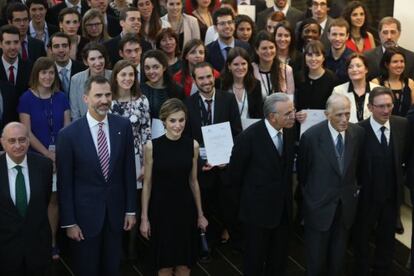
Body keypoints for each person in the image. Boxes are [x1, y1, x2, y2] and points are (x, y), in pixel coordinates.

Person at [57, 75, 137, 276]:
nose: (104, 100)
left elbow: (128, 171)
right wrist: (69, 222)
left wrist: (130, 210)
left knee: (113, 268)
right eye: (98, 95)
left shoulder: (123, 126)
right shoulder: (68, 135)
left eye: (108, 94)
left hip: (115, 215)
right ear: (86, 98)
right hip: (83, 220)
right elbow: (64, 183)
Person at [298, 93, 365, 276]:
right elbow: (303, 173)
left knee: (338, 262)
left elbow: (357, 168)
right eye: (339, 115)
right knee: (316, 262)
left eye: (347, 114)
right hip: (319, 207)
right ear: (327, 114)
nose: (344, 119)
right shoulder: (311, 137)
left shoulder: (358, 133)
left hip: (345, 208)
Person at [229, 93, 296, 275]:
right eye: (288, 112)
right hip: (256, 216)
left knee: (279, 261)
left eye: (293, 110)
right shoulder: (248, 138)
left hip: (282, 213)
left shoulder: (289, 131)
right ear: (273, 117)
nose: (293, 115)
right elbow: (234, 178)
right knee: (254, 262)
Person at [140, 98, 208, 274]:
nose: (178, 125)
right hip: (161, 212)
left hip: (185, 211)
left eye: (181, 120)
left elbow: (193, 181)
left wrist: (200, 214)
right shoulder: (151, 147)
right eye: (172, 120)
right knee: (164, 267)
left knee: (184, 266)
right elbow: (147, 184)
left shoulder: (192, 145)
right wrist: (144, 218)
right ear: (164, 121)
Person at [184, 62, 242, 257]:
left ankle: (233, 238)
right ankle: (206, 242)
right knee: (206, 205)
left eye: (209, 76)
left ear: (214, 76)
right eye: (201, 78)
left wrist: (228, 159)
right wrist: (200, 163)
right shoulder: (188, 103)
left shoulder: (228, 99)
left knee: (229, 204)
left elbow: (237, 132)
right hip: (203, 167)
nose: (206, 81)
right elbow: (187, 140)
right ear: (194, 80)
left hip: (225, 164)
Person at [352, 87, 410, 276]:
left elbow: (407, 155)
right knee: (362, 240)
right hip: (366, 198)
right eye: (381, 106)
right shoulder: (358, 130)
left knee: (387, 240)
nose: (386, 110)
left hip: (391, 197)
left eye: (389, 105)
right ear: (370, 107)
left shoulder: (402, 124)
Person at [18, 57, 71, 260]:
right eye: (43, 73)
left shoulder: (61, 97)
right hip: (36, 157)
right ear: (36, 74)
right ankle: (33, 240)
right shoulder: (26, 98)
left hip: (60, 155)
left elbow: (67, 127)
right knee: (35, 200)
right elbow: (27, 132)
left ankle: (51, 242)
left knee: (54, 200)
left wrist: (58, 154)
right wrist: (47, 154)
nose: (48, 76)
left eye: (51, 72)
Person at [110, 60, 151, 260]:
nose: (127, 79)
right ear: (115, 77)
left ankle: (133, 249)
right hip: (114, 160)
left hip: (136, 158)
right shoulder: (108, 101)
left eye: (131, 75)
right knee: (117, 202)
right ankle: (117, 248)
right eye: (123, 75)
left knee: (134, 202)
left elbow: (146, 133)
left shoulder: (141, 100)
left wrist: (145, 163)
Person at [0, 122, 53, 276]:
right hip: (5, 251)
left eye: (22, 140)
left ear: (29, 141)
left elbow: (44, 200)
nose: (18, 145)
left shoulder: (44, 166)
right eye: (11, 141)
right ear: (2, 142)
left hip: (37, 248)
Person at [295, 40, 337, 124]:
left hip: (325, 125)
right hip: (302, 125)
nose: (313, 59)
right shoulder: (298, 77)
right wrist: (296, 114)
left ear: (323, 58)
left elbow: (334, 104)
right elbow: (294, 103)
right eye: (310, 55)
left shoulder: (331, 78)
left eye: (317, 55)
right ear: (305, 57)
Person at [332, 53, 380, 123]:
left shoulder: (377, 90)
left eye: (358, 66)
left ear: (366, 69)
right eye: (350, 67)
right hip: (348, 131)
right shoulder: (338, 91)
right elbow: (334, 116)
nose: (354, 69)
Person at [70, 42, 112, 120]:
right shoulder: (76, 80)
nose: (98, 62)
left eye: (100, 57)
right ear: (86, 61)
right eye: (92, 59)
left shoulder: (113, 76)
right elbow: (75, 113)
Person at [218, 47, 263, 119]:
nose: (240, 67)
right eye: (236, 64)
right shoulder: (221, 84)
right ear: (229, 66)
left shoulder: (255, 84)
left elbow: (259, 113)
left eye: (243, 63)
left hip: (250, 128)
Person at [141, 49, 184, 119]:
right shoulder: (140, 90)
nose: (151, 71)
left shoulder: (177, 90)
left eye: (155, 67)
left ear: (164, 67)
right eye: (147, 68)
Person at [372, 47, 414, 117]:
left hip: (407, 124)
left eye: (402, 61)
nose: (399, 65)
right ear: (386, 64)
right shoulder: (376, 82)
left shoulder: (410, 82)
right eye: (395, 62)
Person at [205, 7, 250, 72]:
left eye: (230, 22)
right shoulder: (208, 50)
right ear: (215, 28)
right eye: (222, 23)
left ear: (234, 24)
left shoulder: (245, 47)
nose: (227, 26)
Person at [252, 31, 295, 99]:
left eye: (271, 47)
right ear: (257, 50)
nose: (268, 51)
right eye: (264, 48)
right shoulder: (251, 69)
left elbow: (290, 98)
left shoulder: (286, 70)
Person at [47, 32, 86, 97]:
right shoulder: (47, 72)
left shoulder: (83, 69)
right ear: (51, 50)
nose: (61, 50)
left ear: (70, 47)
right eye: (56, 46)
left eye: (64, 46)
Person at [0, 25, 31, 97]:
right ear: (0, 44)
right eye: (8, 43)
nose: (13, 47)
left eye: (16, 42)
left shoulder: (30, 67)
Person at [325, 18, 354, 85]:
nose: (337, 39)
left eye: (341, 35)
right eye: (334, 34)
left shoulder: (353, 58)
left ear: (347, 36)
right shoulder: (322, 57)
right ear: (328, 35)